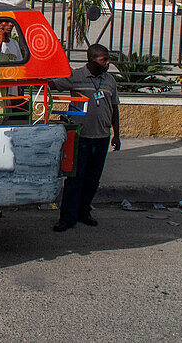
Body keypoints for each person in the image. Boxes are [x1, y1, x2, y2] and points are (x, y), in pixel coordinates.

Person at [50, 44, 121, 232]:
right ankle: (67, 217)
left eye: (108, 59)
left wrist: (117, 135)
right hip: (81, 136)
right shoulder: (76, 77)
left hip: (102, 136)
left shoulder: (110, 81)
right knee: (75, 178)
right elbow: (52, 84)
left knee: (92, 179)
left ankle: (84, 211)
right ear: (91, 60)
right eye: (104, 60)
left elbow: (114, 108)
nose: (108, 63)